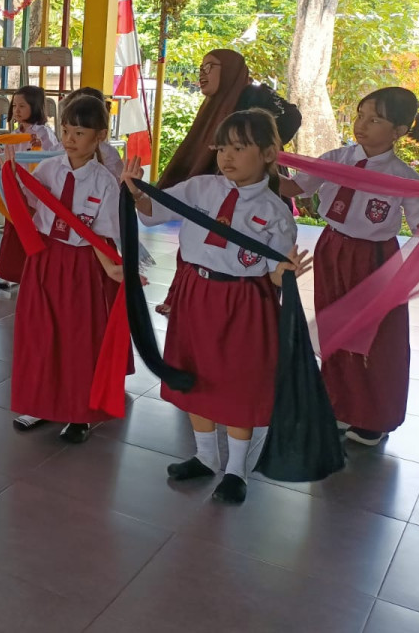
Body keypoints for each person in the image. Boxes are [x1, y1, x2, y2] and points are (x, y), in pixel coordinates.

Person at [122, 109, 311, 505]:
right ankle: (206, 458)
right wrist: (137, 192)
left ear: (269, 153)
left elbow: (275, 271)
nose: (227, 157)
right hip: (196, 295)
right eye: (222, 147)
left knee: (238, 385)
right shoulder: (199, 188)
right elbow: (154, 212)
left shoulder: (277, 214)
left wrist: (285, 275)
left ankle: (236, 470)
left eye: (239, 148)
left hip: (244, 303)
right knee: (196, 376)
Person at [281, 87, 419, 446]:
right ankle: (338, 406)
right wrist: (258, 164)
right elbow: (294, 187)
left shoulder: (403, 177)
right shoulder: (337, 157)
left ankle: (373, 417)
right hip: (332, 248)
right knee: (334, 326)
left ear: (400, 130)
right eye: (360, 115)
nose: (362, 125)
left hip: (375, 259)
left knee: (376, 337)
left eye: (375, 120)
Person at [10, 96, 124, 442]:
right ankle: (41, 403)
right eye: (66, 130)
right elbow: (30, 202)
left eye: (80, 131)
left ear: (99, 135)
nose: (70, 138)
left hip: (82, 264)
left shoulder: (104, 181)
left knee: (78, 337)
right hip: (46, 258)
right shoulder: (49, 168)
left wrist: (113, 268)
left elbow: (104, 234)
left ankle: (79, 412)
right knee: (40, 332)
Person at [154, 49, 301, 317]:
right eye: (201, 67)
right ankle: (182, 296)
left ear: (231, 71)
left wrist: (254, 143)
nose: (202, 73)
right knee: (200, 246)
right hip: (217, 189)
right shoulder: (212, 107)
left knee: (252, 258)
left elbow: (291, 116)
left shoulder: (251, 96)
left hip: (252, 191)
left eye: (210, 66)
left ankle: (255, 309)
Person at [0, 84, 60, 291]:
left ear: (36, 107)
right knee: (15, 232)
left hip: (34, 191)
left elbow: (51, 158)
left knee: (34, 230)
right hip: (16, 189)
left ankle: (35, 274)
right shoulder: (14, 134)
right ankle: (13, 274)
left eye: (22, 106)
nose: (17, 110)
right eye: (15, 106)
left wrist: (36, 145)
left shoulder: (44, 133)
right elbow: (6, 159)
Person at [63, 87, 124, 178]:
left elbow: (116, 186)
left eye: (79, 133)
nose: (69, 139)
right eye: (65, 131)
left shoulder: (109, 155)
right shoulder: (59, 152)